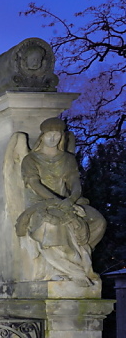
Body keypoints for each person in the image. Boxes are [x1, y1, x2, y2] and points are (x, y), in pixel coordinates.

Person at [15, 117, 105, 286]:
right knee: (53, 224)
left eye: (56, 134)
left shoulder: (67, 159)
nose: (53, 138)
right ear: (42, 136)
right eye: (49, 134)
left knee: (98, 220)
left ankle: (81, 258)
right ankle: (63, 270)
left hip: (67, 202)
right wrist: (57, 202)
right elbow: (34, 184)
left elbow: (75, 183)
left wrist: (71, 200)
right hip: (40, 203)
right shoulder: (31, 159)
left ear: (62, 136)